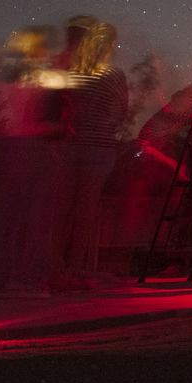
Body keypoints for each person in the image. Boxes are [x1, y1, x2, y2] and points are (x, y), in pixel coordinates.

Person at [0, 25, 67, 295]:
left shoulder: (5, 79)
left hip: (8, 149)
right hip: (35, 150)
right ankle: (34, 280)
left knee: (8, 219)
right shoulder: (49, 79)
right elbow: (53, 124)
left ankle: (0, 281)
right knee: (39, 218)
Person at [53, 19, 128, 286]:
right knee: (85, 211)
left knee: (61, 209)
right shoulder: (114, 74)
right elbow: (121, 113)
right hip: (99, 148)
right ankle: (74, 269)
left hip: (70, 146)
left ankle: (55, 268)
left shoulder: (68, 73)